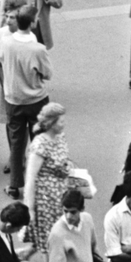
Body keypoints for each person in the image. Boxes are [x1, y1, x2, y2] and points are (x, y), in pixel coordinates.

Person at [0, 6, 51, 196]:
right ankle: (36, 181)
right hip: (36, 100)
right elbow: (47, 73)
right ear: (31, 23)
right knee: (38, 141)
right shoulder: (38, 49)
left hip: (13, 99)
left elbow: (1, 62)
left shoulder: (6, 43)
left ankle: (14, 185)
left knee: (16, 142)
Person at [23, 102, 75, 250]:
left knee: (62, 234)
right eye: (61, 121)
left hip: (61, 194)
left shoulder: (60, 137)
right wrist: (30, 208)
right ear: (51, 123)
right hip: (46, 200)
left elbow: (64, 158)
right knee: (53, 239)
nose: (63, 124)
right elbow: (30, 178)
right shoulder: (39, 145)